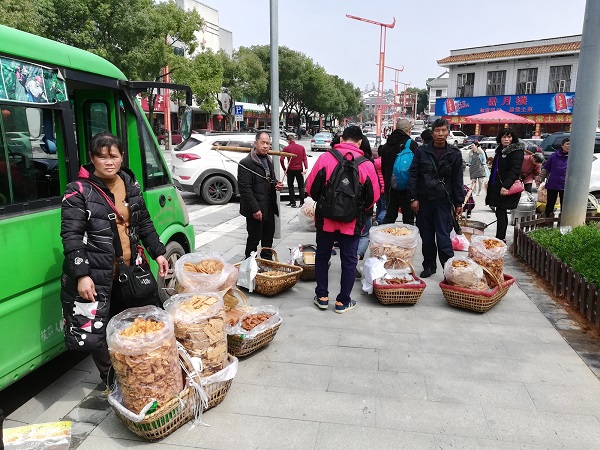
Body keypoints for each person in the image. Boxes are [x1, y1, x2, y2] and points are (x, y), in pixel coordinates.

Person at [60, 132, 169, 386]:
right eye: (102, 156)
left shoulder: (130, 184)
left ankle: (138, 373)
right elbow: (71, 236)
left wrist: (159, 252)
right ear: (92, 158)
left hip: (129, 272)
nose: (109, 162)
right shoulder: (78, 191)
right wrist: (82, 275)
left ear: (121, 157)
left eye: (114, 156)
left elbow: (144, 224)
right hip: (97, 275)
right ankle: (113, 382)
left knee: (136, 324)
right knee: (98, 332)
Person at [306, 125, 379, 313]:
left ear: (341, 139)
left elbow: (310, 189)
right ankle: (343, 301)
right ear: (360, 142)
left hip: (325, 221)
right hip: (352, 223)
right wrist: (358, 209)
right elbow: (374, 197)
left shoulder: (325, 158)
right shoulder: (366, 164)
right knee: (349, 261)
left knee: (322, 257)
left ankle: (322, 296)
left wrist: (325, 202)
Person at [408, 118, 464, 278]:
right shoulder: (421, 151)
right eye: (437, 131)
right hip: (424, 201)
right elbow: (414, 175)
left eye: (443, 130)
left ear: (448, 132)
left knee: (443, 237)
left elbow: (457, 179)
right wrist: (413, 198)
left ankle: (449, 271)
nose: (440, 134)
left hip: (443, 202)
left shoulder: (454, 154)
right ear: (432, 133)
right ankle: (429, 266)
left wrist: (458, 201)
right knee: (426, 237)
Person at [238, 131, 284, 259]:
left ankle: (266, 264)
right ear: (255, 143)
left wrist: (277, 185)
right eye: (262, 143)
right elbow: (245, 189)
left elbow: (271, 180)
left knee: (268, 239)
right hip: (255, 209)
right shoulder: (246, 163)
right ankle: (249, 265)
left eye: (268, 143)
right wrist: (255, 209)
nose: (265, 146)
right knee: (254, 239)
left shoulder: (269, 160)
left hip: (269, 206)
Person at [485, 128, 525, 241]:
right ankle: (500, 237)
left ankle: (500, 238)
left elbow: (515, 170)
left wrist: (506, 186)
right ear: (500, 138)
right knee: (499, 212)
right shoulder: (500, 150)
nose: (506, 139)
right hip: (496, 185)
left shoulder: (516, 151)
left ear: (513, 138)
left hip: (506, 186)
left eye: (509, 137)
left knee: (501, 212)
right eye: (504, 137)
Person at [380, 118, 419, 225]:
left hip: (390, 187)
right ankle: (407, 241)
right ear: (407, 129)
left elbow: (383, 168)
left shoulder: (387, 145)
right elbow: (416, 168)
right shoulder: (411, 144)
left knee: (389, 217)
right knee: (408, 219)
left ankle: (384, 239)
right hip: (407, 189)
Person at [538, 137, 569, 217]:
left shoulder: (573, 157)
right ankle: (547, 220)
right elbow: (546, 168)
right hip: (553, 183)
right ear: (562, 145)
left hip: (566, 185)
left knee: (565, 205)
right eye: (567, 144)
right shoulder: (554, 156)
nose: (569, 146)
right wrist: (540, 179)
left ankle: (562, 221)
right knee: (550, 203)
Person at [280, 133, 308, 208]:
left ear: (288, 141)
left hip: (290, 169)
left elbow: (281, 159)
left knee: (291, 186)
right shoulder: (301, 147)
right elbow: (304, 158)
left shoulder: (286, 148)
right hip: (299, 169)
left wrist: (284, 169)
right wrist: (306, 168)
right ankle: (302, 202)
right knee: (301, 186)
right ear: (294, 139)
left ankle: (293, 202)